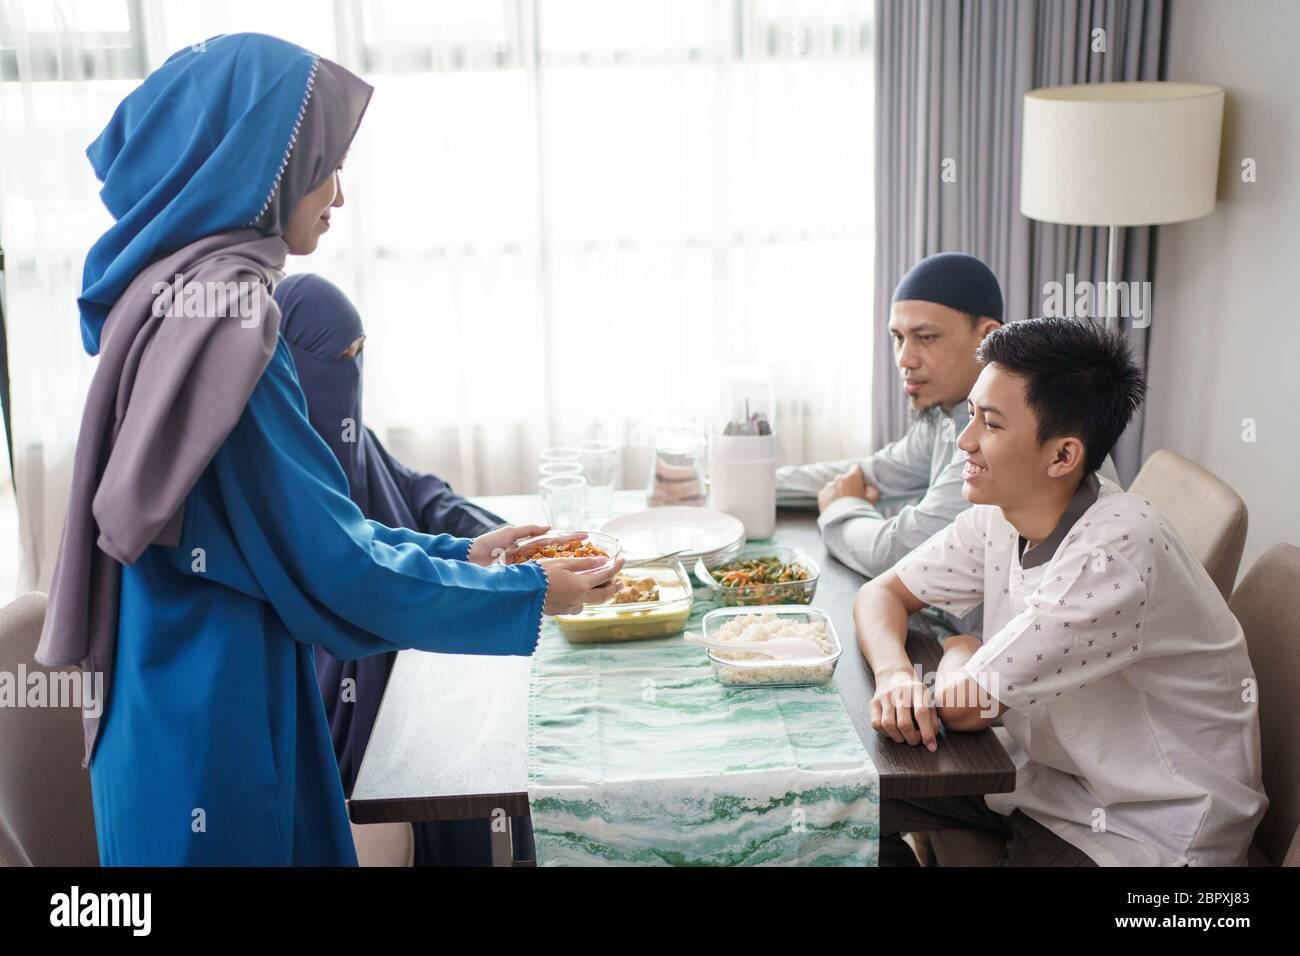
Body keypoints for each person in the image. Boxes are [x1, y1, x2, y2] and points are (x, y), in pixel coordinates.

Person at [37, 33, 620, 866]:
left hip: (166, 719)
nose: (338, 192)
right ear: (260, 164)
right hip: (222, 730)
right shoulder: (232, 325)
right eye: (322, 161)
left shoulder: (172, 302)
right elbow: (332, 564)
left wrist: (466, 554)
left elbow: (298, 528)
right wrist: (528, 593)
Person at [855, 318, 1267, 866]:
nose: (965, 439)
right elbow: (880, 593)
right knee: (843, 811)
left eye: (991, 424)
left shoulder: (1113, 555)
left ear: (1063, 457)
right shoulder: (1003, 511)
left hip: (1149, 834)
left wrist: (960, 650)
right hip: (1045, 779)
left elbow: (965, 707)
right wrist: (895, 673)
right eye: (972, 413)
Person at [273, 272, 526, 865]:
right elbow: (359, 579)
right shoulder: (287, 464)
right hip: (340, 679)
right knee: (467, 739)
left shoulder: (348, 434)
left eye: (360, 353)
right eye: (337, 357)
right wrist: (511, 592)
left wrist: (484, 536)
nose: (352, 371)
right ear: (288, 362)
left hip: (410, 629)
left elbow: (421, 494)